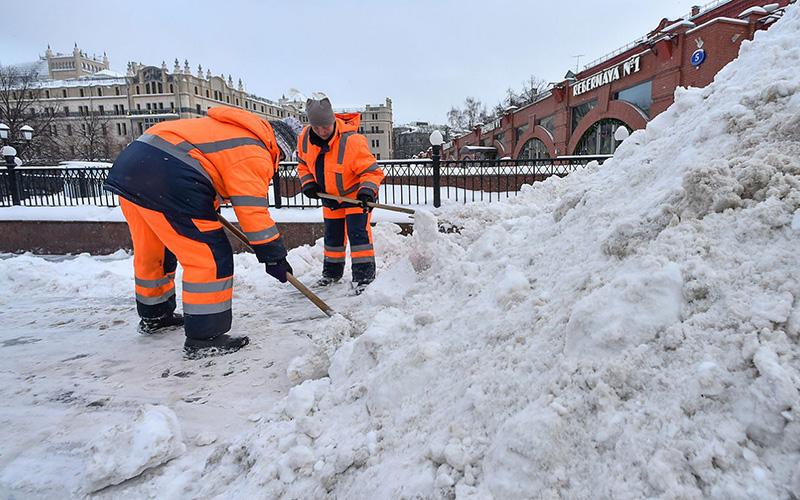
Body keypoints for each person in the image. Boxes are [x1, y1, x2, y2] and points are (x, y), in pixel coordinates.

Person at [104, 107, 299, 358]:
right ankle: (205, 338)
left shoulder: (233, 131)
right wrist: (274, 256)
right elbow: (252, 211)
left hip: (132, 170)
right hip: (168, 179)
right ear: (281, 147)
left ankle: (155, 315)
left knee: (155, 250)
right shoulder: (255, 150)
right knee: (209, 257)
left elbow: (206, 165)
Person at [296, 97, 384, 294]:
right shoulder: (304, 138)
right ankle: (331, 274)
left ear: (333, 120)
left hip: (355, 196)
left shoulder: (351, 141)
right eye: (316, 127)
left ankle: (364, 277)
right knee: (333, 236)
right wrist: (309, 183)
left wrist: (367, 192)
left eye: (325, 126)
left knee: (358, 235)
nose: (322, 131)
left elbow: (372, 172)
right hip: (330, 197)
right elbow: (302, 165)